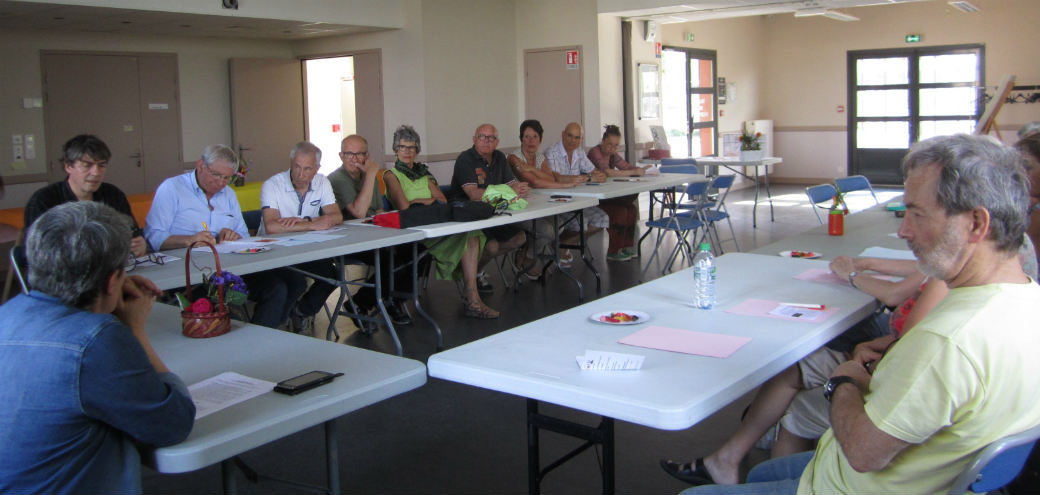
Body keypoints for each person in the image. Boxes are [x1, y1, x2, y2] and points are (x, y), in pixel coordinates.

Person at [681, 133, 1040, 494]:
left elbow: (864, 453)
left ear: (976, 224)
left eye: (916, 214)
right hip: (924, 471)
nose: (903, 230)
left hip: (851, 483)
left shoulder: (947, 341)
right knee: (761, 474)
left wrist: (845, 379)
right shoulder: (1026, 301)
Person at [662, 257, 947, 486]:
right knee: (793, 368)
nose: (904, 228)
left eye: (917, 213)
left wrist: (852, 275)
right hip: (885, 347)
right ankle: (730, 459)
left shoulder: (947, 276)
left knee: (796, 409)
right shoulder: (953, 264)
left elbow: (900, 307)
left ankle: (779, 474)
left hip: (882, 374)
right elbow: (917, 269)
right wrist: (866, 262)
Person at [0, 201, 195, 493]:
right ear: (112, 280)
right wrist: (135, 330)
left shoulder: (8, 313)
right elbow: (173, 423)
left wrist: (107, 295)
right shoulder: (96, 341)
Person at [144, 144, 302, 330]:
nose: (221, 183)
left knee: (284, 285)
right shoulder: (172, 189)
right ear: (201, 165)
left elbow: (243, 235)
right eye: (216, 175)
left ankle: (259, 339)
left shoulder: (228, 194)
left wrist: (234, 235)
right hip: (190, 272)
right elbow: (154, 237)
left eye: (227, 178)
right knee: (224, 305)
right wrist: (188, 240)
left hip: (229, 267)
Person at [384, 125, 498, 319]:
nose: (407, 152)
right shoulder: (391, 175)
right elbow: (404, 206)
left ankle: (472, 296)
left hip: (437, 222)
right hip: (415, 229)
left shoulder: (423, 172)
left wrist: (420, 202)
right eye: (403, 147)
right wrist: (429, 201)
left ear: (417, 150)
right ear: (396, 149)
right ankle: (472, 298)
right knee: (468, 238)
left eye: (411, 148)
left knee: (472, 235)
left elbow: (443, 200)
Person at [328, 134, 413, 328]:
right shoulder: (336, 179)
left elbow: (379, 211)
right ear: (341, 156)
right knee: (388, 259)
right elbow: (359, 213)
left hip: (375, 234)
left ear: (367, 155)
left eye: (360, 154)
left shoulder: (369, 177)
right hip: (350, 239)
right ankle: (360, 303)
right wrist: (370, 175)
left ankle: (394, 299)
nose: (356, 159)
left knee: (417, 252)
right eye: (350, 154)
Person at [259, 141, 343, 334]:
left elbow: (336, 217)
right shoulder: (272, 185)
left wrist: (302, 220)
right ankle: (276, 324)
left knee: (333, 276)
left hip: (306, 249)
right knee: (295, 282)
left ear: (316, 169)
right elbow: (271, 226)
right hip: (274, 251)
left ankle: (301, 311)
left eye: (307, 169)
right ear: (291, 163)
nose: (300, 174)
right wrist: (313, 224)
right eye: (297, 166)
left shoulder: (322, 182)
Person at [24, 134, 147, 257]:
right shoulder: (44, 200)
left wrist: (139, 245)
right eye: (87, 165)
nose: (96, 172)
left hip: (111, 269)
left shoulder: (113, 195)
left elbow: (133, 235)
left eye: (102, 165)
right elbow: (39, 253)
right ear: (68, 166)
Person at [449, 123, 529, 293]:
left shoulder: (499, 157)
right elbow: (473, 194)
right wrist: (507, 191)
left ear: (497, 142)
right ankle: (470, 273)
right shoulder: (465, 159)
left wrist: (520, 187)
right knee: (491, 247)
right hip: (469, 215)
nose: (486, 141)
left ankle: (474, 268)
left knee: (520, 238)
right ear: (474, 139)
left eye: (491, 137)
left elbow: (512, 183)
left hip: (494, 213)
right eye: (482, 137)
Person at [506, 119, 575, 277]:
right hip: (519, 208)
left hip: (539, 204)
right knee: (549, 231)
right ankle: (528, 258)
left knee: (560, 226)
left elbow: (550, 179)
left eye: (535, 136)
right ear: (521, 138)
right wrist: (564, 185)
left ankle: (527, 252)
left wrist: (531, 168)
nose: (531, 141)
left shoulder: (539, 157)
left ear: (540, 139)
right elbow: (535, 182)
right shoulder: (513, 158)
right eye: (526, 137)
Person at [544, 122, 609, 263]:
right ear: (563, 135)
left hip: (578, 200)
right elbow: (557, 178)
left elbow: (595, 172)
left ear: (581, 140)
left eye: (577, 138)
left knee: (602, 219)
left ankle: (559, 245)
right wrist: (588, 177)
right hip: (557, 201)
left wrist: (600, 175)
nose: (573, 141)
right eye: (569, 136)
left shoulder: (579, 152)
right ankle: (558, 245)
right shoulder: (552, 152)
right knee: (582, 222)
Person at [587, 124, 651, 261]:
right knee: (620, 212)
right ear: (603, 141)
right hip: (594, 198)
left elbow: (625, 166)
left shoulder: (612, 155)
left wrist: (643, 170)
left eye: (616, 146)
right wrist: (634, 172)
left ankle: (626, 247)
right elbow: (608, 172)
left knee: (631, 209)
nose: (612, 149)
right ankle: (613, 251)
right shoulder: (594, 152)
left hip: (608, 196)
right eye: (610, 144)